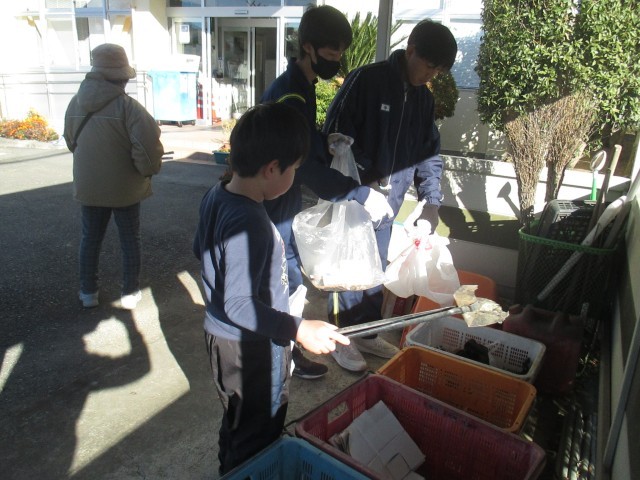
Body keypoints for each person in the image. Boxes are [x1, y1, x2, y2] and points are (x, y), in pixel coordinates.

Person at [193, 102, 350, 475]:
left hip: (224, 339)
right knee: (259, 430)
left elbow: (200, 248)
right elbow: (239, 305)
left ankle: (231, 468)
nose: (295, 176)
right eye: (294, 169)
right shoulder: (248, 222)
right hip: (250, 347)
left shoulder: (219, 193)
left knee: (239, 421)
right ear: (271, 169)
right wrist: (299, 328)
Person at [261, 5, 393, 379]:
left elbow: (301, 141)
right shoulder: (291, 94)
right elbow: (300, 162)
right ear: (308, 47)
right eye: (332, 52)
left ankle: (286, 352)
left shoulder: (302, 86)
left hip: (282, 197)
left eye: (341, 52)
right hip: (272, 200)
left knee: (288, 278)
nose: (338, 60)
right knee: (280, 280)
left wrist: (324, 142)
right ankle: (279, 358)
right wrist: (358, 194)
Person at [322, 20, 458, 371]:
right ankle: (339, 338)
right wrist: (362, 182)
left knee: (374, 271)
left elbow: (428, 153)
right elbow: (335, 134)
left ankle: (365, 334)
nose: (431, 76)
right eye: (429, 66)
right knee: (346, 271)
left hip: (389, 204)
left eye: (438, 71)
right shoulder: (367, 81)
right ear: (411, 50)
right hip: (355, 197)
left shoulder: (423, 100)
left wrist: (432, 202)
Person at [64, 43, 164, 310]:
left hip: (89, 186)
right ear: (121, 78)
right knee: (129, 239)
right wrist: (147, 171)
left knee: (90, 239)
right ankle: (129, 292)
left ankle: (88, 293)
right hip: (125, 188)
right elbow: (147, 150)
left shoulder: (75, 103)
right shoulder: (129, 108)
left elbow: (71, 141)